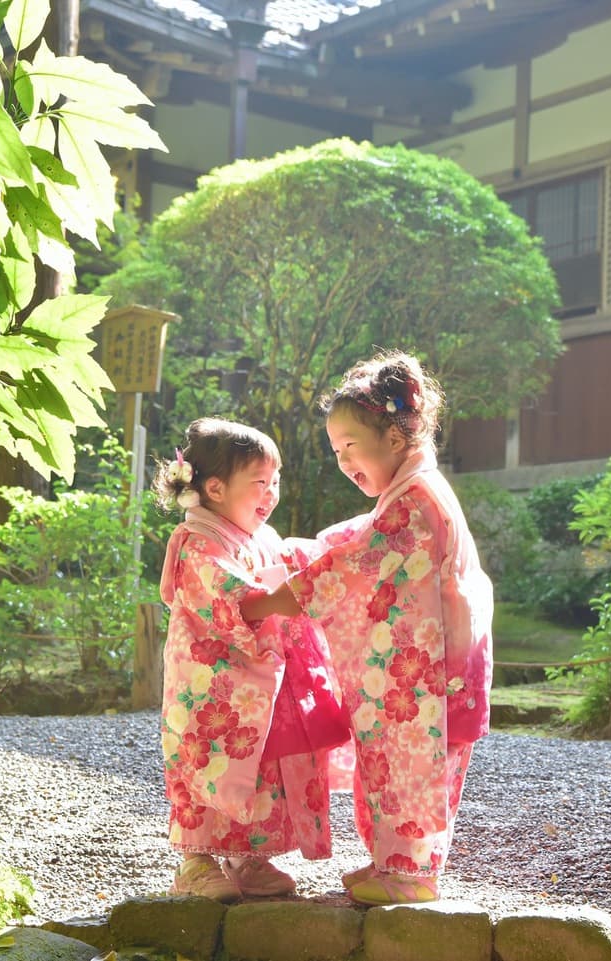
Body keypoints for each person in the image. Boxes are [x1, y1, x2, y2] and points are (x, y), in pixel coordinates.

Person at [240, 352, 494, 906]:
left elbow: (353, 562)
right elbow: (355, 539)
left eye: (351, 446)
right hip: (424, 668)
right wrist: (305, 550)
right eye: (336, 451)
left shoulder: (415, 500)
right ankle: (391, 862)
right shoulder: (412, 493)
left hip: (427, 674)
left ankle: (410, 874)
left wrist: (270, 601)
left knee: (409, 766)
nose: (343, 460)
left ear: (396, 439)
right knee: (392, 762)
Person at [155, 417, 347, 901]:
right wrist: (289, 596)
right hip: (210, 683)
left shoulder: (254, 534)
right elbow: (233, 596)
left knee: (258, 764)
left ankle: (247, 857)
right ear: (215, 488)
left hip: (255, 675)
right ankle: (195, 862)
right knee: (208, 760)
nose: (271, 493)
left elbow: (284, 561)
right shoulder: (197, 541)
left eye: (275, 481)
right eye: (259, 482)